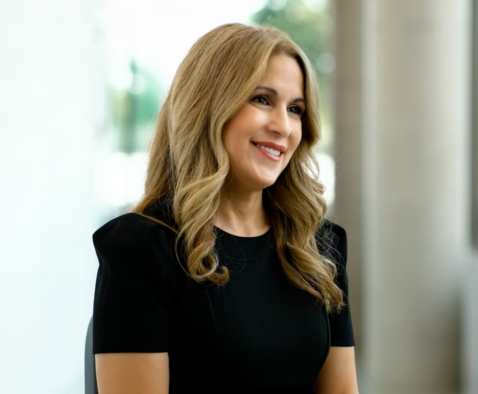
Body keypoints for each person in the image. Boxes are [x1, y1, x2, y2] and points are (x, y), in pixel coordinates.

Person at [91, 23, 358, 394]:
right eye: (262, 99)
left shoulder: (320, 247)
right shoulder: (143, 248)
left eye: (295, 109)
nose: (283, 126)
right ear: (209, 105)